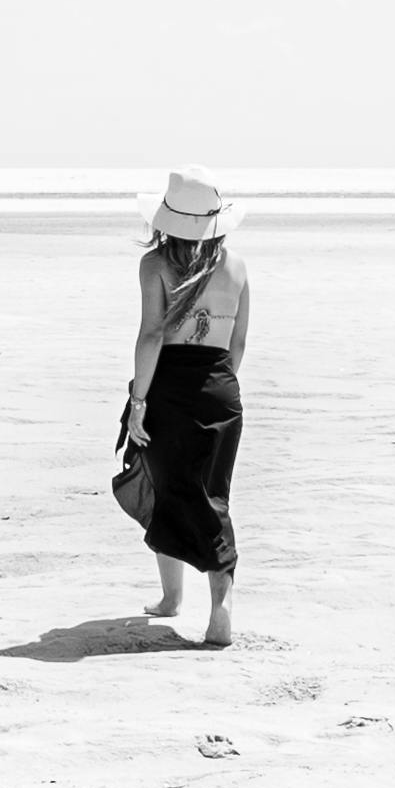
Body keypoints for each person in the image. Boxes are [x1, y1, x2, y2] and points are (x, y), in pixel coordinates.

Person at [121, 167, 249, 646]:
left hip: (167, 388)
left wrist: (138, 401)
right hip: (220, 386)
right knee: (213, 496)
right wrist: (217, 386)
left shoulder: (155, 265)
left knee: (165, 486)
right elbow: (238, 343)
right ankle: (219, 608)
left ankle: (172, 596)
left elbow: (152, 334)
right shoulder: (236, 267)